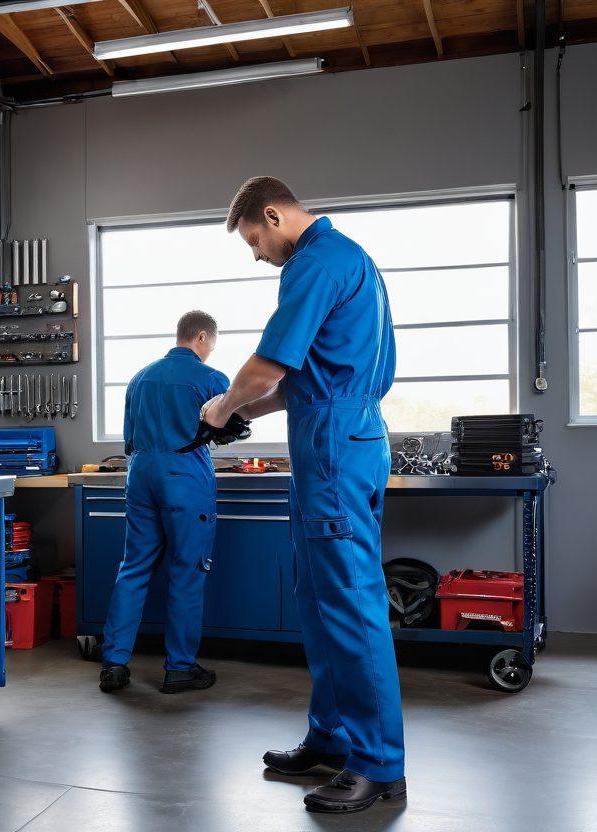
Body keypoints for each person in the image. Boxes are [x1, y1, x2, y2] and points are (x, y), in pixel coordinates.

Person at [201, 176, 405, 814]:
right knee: (317, 600)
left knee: (349, 601)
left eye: (256, 240)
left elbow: (266, 367)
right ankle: (332, 737)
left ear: (272, 214)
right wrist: (249, 417)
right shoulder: (354, 263)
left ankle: (379, 764)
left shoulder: (314, 264)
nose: (257, 254)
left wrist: (221, 405)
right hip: (339, 438)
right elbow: (299, 381)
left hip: (335, 447)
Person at [99, 311, 230, 695]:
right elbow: (225, 430)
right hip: (184, 477)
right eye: (211, 345)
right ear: (202, 337)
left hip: (140, 474)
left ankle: (114, 665)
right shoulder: (211, 378)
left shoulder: (139, 378)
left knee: (134, 567)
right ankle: (180, 669)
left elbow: (128, 438)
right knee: (188, 570)